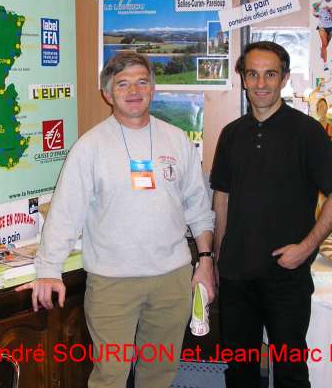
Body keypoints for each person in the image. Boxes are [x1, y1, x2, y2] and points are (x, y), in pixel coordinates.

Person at [24, 52, 215, 388]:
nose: (134, 91)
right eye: (123, 84)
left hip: (172, 279)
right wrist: (49, 270)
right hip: (112, 283)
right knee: (110, 376)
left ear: (153, 89)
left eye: (142, 82)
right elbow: (66, 213)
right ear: (107, 94)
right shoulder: (89, 147)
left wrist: (205, 261)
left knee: (159, 373)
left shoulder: (177, 140)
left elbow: (198, 208)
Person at [210, 41, 332, 388]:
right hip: (236, 276)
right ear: (243, 78)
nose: (261, 84)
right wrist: (217, 258)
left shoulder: (307, 132)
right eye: (253, 74)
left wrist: (306, 248)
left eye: (270, 74)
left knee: (290, 372)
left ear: (285, 78)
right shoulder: (231, 134)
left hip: (286, 277)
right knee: (239, 371)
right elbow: (222, 198)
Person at [312, 0, 332, 71]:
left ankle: (322, 52)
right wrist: (315, 14)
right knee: (324, 44)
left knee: (325, 46)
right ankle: (325, 65)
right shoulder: (321, 1)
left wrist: (330, 11)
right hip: (322, 26)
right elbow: (313, 9)